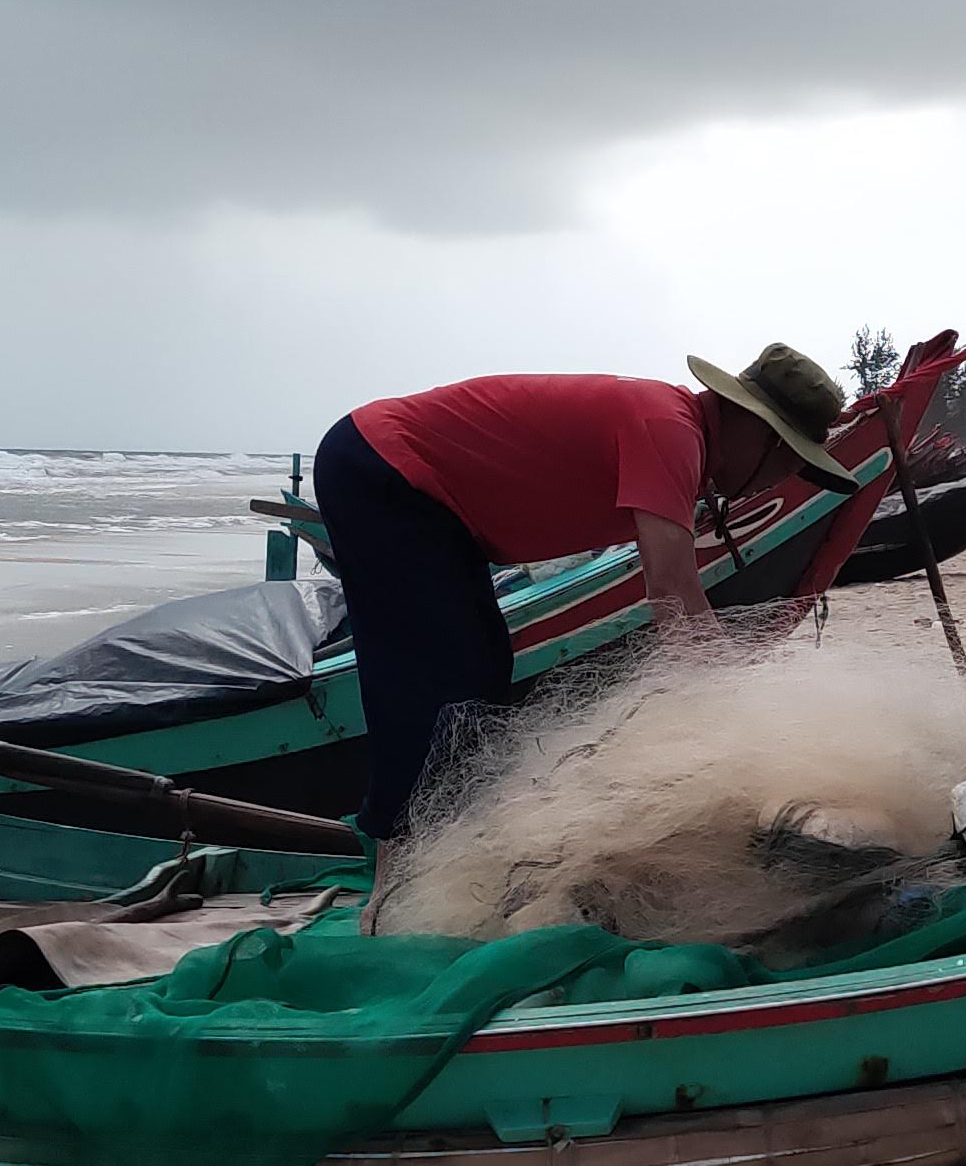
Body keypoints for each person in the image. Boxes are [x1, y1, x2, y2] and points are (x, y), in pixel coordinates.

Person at [314, 346, 862, 837]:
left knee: (483, 666)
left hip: (426, 498)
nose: (782, 482)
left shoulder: (676, 432)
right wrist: (743, 716)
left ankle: (438, 837)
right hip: (384, 465)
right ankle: (396, 865)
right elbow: (672, 592)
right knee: (435, 675)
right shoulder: (668, 429)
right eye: (791, 463)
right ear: (758, 429)